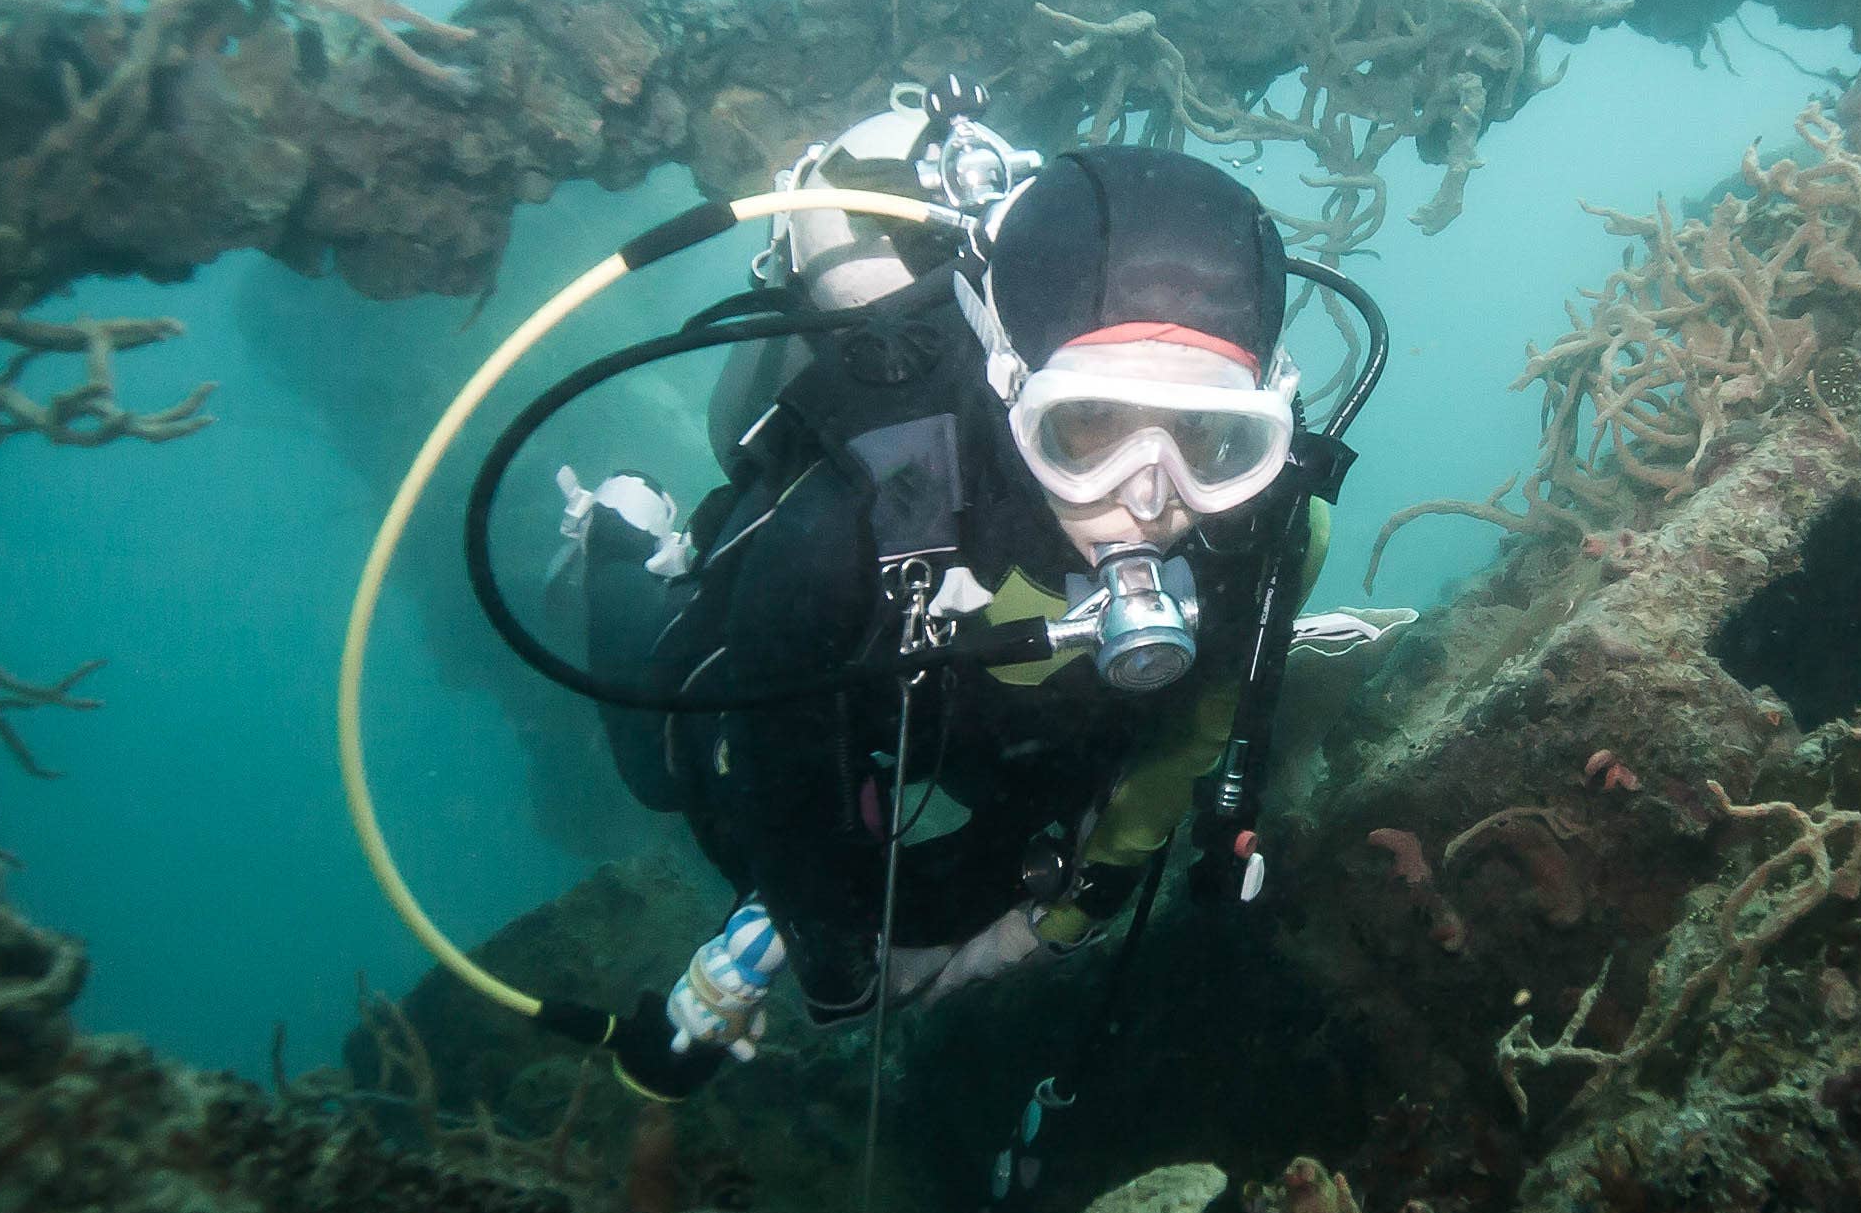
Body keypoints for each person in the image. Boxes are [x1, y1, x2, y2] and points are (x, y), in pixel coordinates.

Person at [560, 126, 1334, 1069]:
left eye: (1214, 442)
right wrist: (832, 958)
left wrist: (1055, 917)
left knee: (1022, 769)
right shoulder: (860, 505)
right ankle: (620, 536)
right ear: (1012, 385)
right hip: (861, 658)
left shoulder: (1269, 526)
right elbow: (773, 757)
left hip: (1012, 701)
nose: (1148, 496)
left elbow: (1200, 731)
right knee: (664, 762)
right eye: (1088, 427)